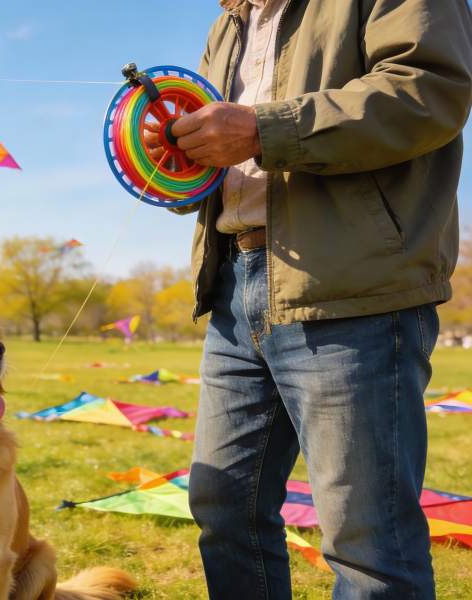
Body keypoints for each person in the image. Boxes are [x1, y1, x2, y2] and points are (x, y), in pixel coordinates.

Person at [147, 1, 472, 598]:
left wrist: (262, 129)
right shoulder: (229, 21)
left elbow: (431, 90)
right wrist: (174, 157)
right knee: (224, 510)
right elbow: (216, 160)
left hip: (353, 290)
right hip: (233, 289)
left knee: (368, 544)